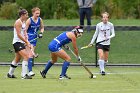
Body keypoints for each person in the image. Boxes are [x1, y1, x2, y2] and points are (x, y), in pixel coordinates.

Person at [7, 9, 32, 79]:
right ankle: (24, 75)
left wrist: (26, 38)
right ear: (22, 15)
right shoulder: (18, 22)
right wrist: (26, 42)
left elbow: (24, 32)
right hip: (17, 42)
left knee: (17, 59)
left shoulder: (23, 22)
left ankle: (10, 73)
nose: (27, 16)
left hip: (21, 42)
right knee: (26, 56)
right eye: (26, 15)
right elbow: (18, 35)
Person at [25, 7, 44, 76]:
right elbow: (25, 31)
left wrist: (41, 33)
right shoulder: (29, 20)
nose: (38, 15)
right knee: (31, 54)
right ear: (33, 13)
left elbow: (42, 28)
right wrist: (26, 39)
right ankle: (29, 71)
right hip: (29, 38)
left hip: (35, 38)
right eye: (36, 13)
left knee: (29, 55)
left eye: (39, 13)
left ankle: (11, 72)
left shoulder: (40, 19)